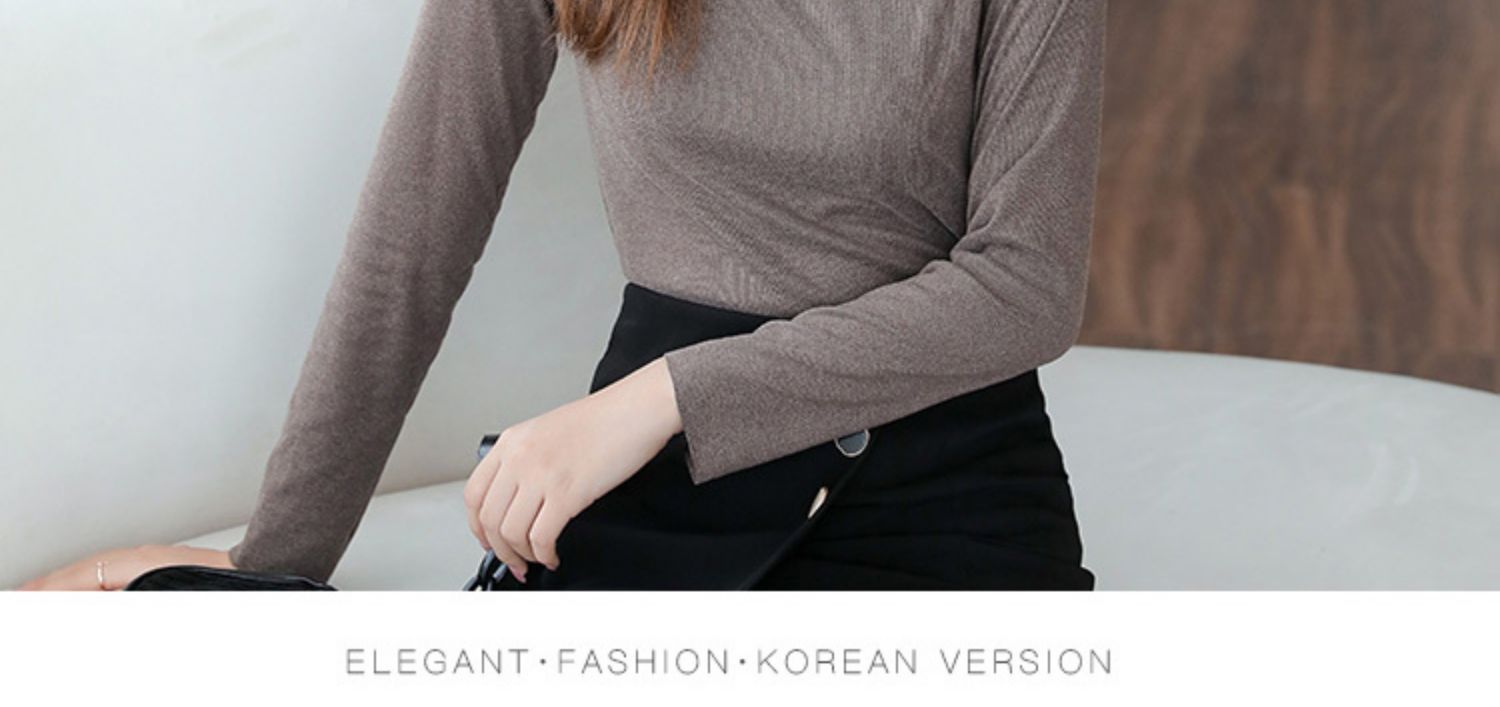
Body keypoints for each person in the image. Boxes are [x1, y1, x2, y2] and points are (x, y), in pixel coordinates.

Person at [23, 0, 1107, 591]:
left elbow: (1027, 284)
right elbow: (414, 242)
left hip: (946, 484)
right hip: (661, 495)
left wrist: (658, 398)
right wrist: (278, 562)